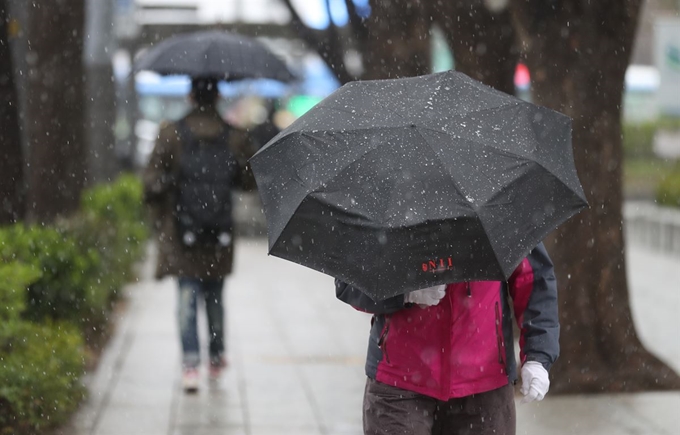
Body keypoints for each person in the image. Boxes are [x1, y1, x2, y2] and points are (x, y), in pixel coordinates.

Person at [336, 243, 558, 435]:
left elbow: (531, 277)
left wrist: (538, 354)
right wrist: (402, 293)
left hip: (485, 384)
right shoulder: (386, 199)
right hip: (399, 382)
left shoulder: (499, 201)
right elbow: (349, 280)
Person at [143, 77, 257, 393]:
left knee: (187, 298)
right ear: (218, 96)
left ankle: (190, 364)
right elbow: (250, 181)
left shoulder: (171, 134)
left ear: (190, 96)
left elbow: (150, 183)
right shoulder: (234, 137)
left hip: (183, 232)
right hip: (218, 232)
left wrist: (169, 183)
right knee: (215, 297)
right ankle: (217, 357)